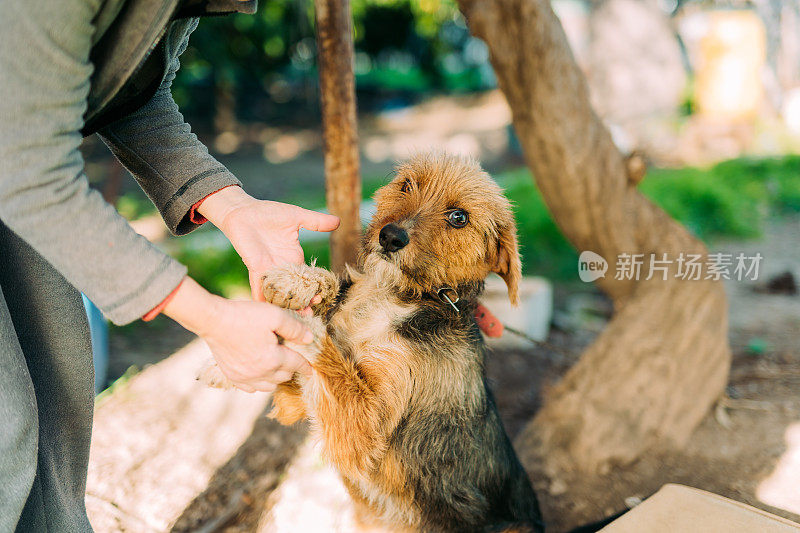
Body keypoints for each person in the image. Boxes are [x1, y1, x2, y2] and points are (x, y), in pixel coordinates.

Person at [0, 0, 338, 530]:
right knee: (6, 432)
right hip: (18, 166)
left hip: (15, 169)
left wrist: (232, 207)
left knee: (56, 405)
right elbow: (25, 165)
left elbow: (132, 96)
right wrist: (210, 318)